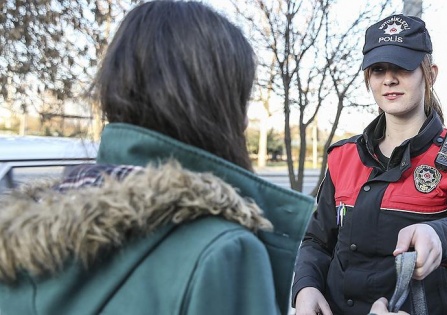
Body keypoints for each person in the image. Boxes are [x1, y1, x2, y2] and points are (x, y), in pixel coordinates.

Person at [0, 1, 315, 314]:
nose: (246, 122)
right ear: (215, 105)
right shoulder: (222, 251)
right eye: (242, 100)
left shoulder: (19, 242)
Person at [292, 14, 447, 315]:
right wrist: (306, 286)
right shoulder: (343, 156)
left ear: (430, 74)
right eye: (378, 69)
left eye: (402, 67)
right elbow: (317, 239)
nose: (389, 79)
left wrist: (440, 235)